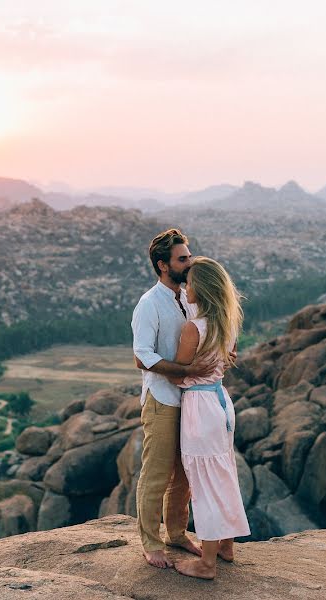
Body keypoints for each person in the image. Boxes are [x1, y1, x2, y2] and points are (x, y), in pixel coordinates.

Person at [131, 228, 216, 569]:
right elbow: (141, 356)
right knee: (157, 473)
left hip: (190, 399)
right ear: (163, 265)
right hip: (162, 398)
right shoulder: (149, 303)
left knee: (184, 474)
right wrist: (185, 370)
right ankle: (151, 542)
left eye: (189, 255)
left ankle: (177, 534)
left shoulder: (188, 298)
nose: (190, 261)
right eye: (183, 258)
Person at [168, 256, 250, 580]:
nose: (184, 287)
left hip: (200, 408)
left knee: (204, 483)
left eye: (188, 283)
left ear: (198, 289)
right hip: (221, 403)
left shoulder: (193, 328)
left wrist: (179, 370)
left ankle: (207, 563)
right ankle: (226, 546)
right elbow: (224, 361)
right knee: (223, 474)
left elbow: (177, 376)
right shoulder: (226, 323)